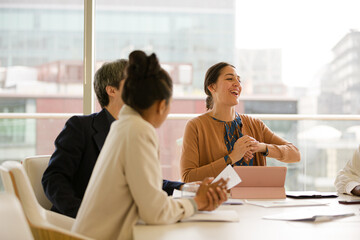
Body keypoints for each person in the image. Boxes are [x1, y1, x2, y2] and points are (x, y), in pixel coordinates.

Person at [72, 50, 228, 240]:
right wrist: (197, 203)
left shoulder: (123, 126)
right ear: (162, 105)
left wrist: (190, 192)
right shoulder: (139, 131)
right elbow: (155, 212)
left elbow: (147, 193)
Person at [42, 59, 185, 218]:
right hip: (79, 224)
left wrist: (184, 188)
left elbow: (146, 183)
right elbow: (53, 179)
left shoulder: (134, 129)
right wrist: (84, 214)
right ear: (111, 90)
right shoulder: (80, 127)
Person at [180, 62, 301, 182]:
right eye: (229, 78)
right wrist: (232, 157)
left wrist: (261, 147)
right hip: (217, 200)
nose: (237, 84)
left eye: (239, 80)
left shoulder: (255, 124)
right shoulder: (196, 126)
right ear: (212, 87)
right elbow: (188, 177)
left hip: (256, 199)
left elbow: (295, 154)